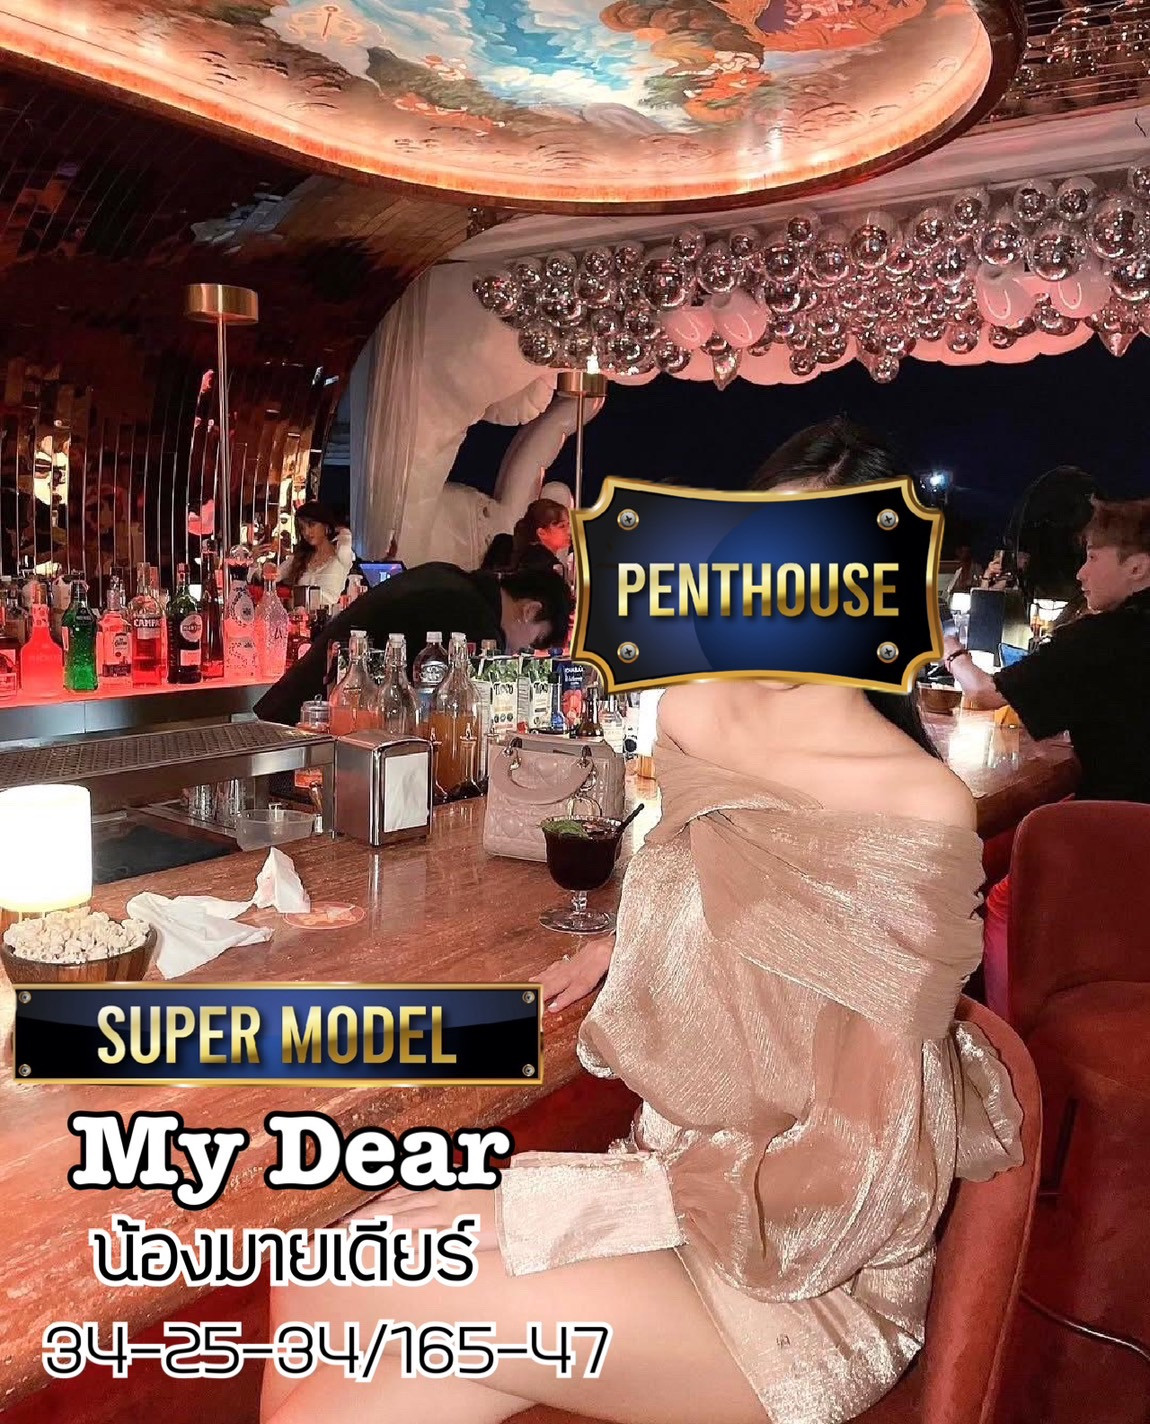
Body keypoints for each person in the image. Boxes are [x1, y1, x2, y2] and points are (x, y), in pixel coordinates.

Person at [260, 418, 1023, 1424]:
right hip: (674, 1174)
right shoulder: (701, 710)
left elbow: (865, 1169)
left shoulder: (913, 804)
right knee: (325, 1269)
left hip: (801, 1265)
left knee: (393, 1290)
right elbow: (717, 872)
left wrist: (602, 1205)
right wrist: (636, 941)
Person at [942, 495, 1150, 803]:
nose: (1081, 573)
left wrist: (949, 649)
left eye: (1092, 558)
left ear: (1137, 567)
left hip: (1117, 823)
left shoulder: (1101, 639)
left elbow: (985, 693)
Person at [253, 562, 572, 726]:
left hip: (297, 715)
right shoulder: (473, 619)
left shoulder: (453, 579)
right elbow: (451, 717)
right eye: (535, 640)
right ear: (530, 611)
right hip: (309, 733)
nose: (520, 650)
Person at [277, 500, 354, 609]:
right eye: (302, 528)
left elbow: (346, 535)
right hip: (299, 616)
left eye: (311, 525)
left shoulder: (341, 556)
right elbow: (274, 575)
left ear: (325, 525)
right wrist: (256, 561)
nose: (306, 532)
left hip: (330, 617)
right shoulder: (301, 557)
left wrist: (334, 529)